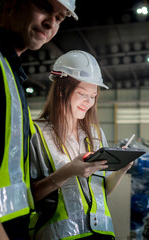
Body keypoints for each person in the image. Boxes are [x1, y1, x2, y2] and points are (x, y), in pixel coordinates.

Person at [0, 0, 78, 239]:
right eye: (45, 7)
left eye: (60, 18)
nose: (50, 23)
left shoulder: (10, 70)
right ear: (11, 3)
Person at [29, 50, 133, 239]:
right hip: (58, 235)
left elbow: (102, 192)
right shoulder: (35, 133)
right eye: (82, 94)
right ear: (61, 90)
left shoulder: (95, 134)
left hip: (101, 233)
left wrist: (121, 170)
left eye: (93, 96)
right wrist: (69, 171)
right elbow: (29, 197)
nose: (89, 102)